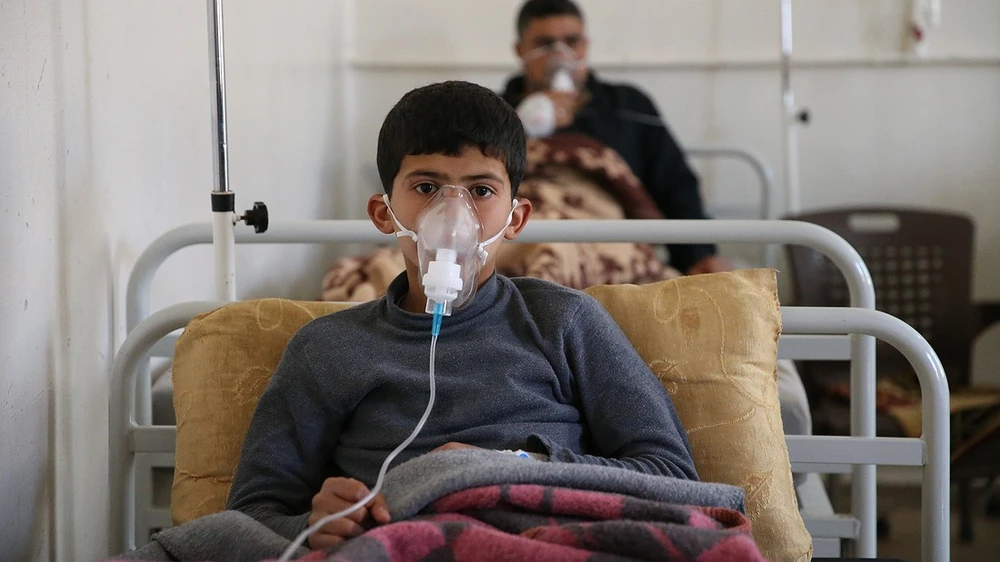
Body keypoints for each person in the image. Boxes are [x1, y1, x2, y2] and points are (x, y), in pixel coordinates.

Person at [226, 81, 698, 550]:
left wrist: (515, 467)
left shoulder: (563, 321)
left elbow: (673, 476)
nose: (453, 215)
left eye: (481, 190)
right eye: (426, 187)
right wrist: (313, 526)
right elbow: (249, 514)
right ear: (383, 213)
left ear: (516, 218)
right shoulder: (328, 348)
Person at [501, 0, 732, 276]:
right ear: (520, 50)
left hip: (612, 237)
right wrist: (520, 125)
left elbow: (675, 185)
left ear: (586, 45)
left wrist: (698, 255)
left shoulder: (628, 107)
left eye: (572, 42)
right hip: (529, 232)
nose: (560, 55)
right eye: (545, 44)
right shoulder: (494, 114)